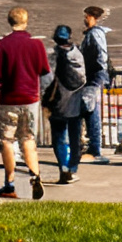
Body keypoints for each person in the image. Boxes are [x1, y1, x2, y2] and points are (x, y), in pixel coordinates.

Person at [0, 5, 50, 199]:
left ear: (9, 21)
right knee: (28, 138)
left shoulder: (2, 45)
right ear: (26, 21)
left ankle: (10, 183)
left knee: (6, 140)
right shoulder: (36, 45)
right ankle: (35, 176)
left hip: (9, 99)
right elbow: (44, 70)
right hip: (31, 99)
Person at [44, 23, 90, 182]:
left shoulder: (52, 55)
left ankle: (63, 167)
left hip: (57, 102)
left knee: (59, 138)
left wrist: (45, 99)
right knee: (75, 137)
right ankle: (72, 168)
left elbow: (46, 79)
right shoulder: (77, 55)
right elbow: (83, 78)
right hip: (74, 102)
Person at [78, 6, 112, 164]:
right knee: (90, 110)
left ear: (92, 17)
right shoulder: (93, 34)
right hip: (93, 77)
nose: (85, 19)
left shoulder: (95, 34)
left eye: (87, 16)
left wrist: (98, 72)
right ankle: (92, 148)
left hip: (93, 77)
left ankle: (95, 150)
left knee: (91, 111)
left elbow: (100, 55)